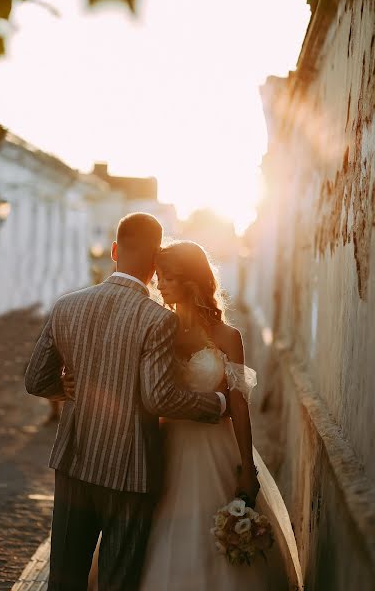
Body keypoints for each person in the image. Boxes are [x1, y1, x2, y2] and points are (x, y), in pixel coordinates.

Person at [24, 214, 228, 591]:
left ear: (115, 250)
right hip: (130, 471)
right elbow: (158, 397)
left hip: (74, 459)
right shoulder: (156, 319)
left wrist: (65, 389)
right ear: (155, 263)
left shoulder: (67, 305)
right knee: (118, 581)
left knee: (64, 579)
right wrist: (217, 404)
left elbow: (36, 380)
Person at [89, 240, 303, 590]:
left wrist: (247, 467)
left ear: (191, 282)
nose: (159, 285)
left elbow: (238, 404)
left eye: (168, 278)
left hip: (215, 448)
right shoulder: (159, 329)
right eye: (158, 276)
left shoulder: (227, 336)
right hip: (162, 447)